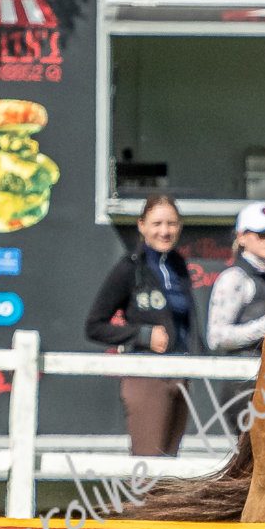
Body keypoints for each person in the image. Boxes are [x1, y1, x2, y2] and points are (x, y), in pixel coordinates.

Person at [85, 192, 196, 456]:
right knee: (148, 464)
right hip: (146, 375)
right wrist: (143, 335)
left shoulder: (179, 265)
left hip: (180, 373)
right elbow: (94, 326)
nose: (164, 231)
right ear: (142, 225)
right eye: (157, 224)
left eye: (171, 224)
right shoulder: (129, 268)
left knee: (169, 465)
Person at [208, 202, 265, 353]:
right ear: (241, 237)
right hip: (243, 366)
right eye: (262, 233)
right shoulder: (234, 277)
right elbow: (216, 338)